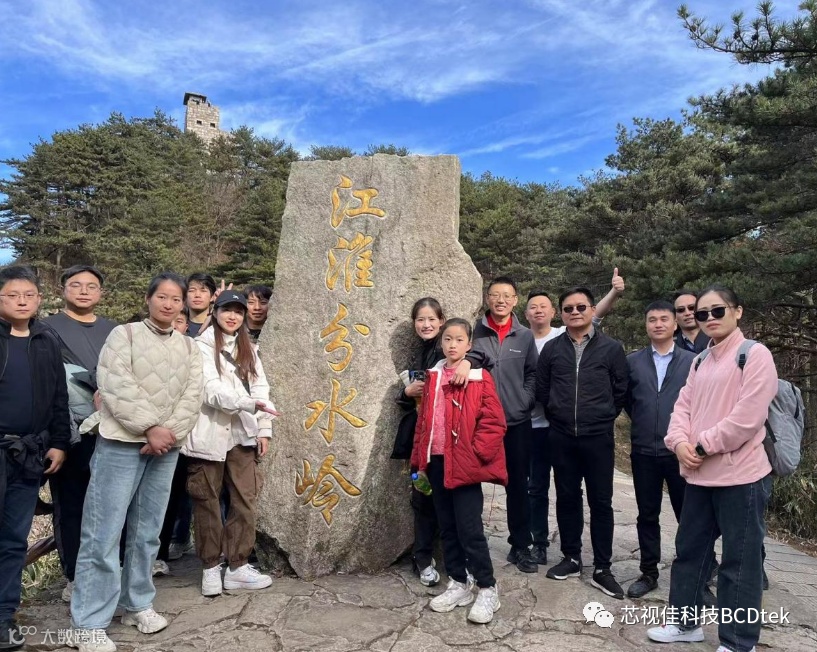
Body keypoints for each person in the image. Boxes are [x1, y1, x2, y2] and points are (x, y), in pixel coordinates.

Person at [69, 272, 203, 652]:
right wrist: (149, 429)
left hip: (166, 448)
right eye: (162, 297)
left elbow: (193, 394)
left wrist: (167, 434)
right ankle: (88, 622)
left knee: (147, 532)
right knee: (103, 533)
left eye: (175, 299)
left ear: (182, 305)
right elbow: (115, 385)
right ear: (149, 299)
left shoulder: (189, 347)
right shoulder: (123, 335)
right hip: (121, 443)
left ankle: (137, 603)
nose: (168, 304)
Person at [647, 285, 778, 652]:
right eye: (702, 314)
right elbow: (682, 409)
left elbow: (748, 417)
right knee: (690, 553)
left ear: (737, 311)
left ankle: (737, 641)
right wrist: (679, 443)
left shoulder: (754, 355)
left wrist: (702, 445)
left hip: (742, 476)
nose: (708, 318)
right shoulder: (700, 360)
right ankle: (684, 623)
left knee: (740, 561)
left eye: (717, 310)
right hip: (700, 476)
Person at [524, 268, 625, 565]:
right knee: (567, 498)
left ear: (592, 310)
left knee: (601, 501)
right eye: (569, 309)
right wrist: (558, 414)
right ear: (562, 314)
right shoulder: (552, 349)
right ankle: (571, 556)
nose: (575, 312)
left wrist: (604, 417)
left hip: (598, 437)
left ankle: (603, 565)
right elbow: (542, 389)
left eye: (581, 307)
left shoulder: (611, 348)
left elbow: (621, 389)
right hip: (562, 436)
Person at [410, 318, 507, 624]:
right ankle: (459, 582)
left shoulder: (478, 377)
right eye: (448, 339)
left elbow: (494, 421)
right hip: (437, 461)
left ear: (469, 345)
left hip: (465, 464)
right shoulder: (434, 376)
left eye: (459, 339)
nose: (452, 345)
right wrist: (419, 461)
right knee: (448, 526)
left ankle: (488, 587)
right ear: (441, 343)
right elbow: (424, 422)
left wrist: (475, 454)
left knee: (470, 528)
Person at [183, 290, 279, 597]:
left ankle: (238, 566)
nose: (233, 316)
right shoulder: (200, 346)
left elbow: (261, 387)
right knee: (207, 500)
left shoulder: (248, 347)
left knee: (244, 500)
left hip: (242, 434)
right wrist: (247, 403)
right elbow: (210, 390)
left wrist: (264, 428)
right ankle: (211, 566)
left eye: (238, 311)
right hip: (208, 434)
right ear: (215, 312)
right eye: (227, 310)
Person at [0, 266, 70, 652]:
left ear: (40, 299)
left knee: (14, 538)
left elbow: (59, 396)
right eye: (13, 295)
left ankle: (3, 616)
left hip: (29, 453)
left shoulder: (46, 339)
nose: (22, 301)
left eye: (29, 295)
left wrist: (59, 442)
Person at [394, 298, 486, 587]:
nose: (426, 325)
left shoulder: (451, 352)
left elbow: (481, 356)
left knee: (454, 508)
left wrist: (468, 362)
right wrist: (406, 393)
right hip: (425, 444)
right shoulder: (422, 352)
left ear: (442, 321)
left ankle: (465, 569)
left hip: (453, 446)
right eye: (420, 320)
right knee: (424, 499)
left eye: (432, 319)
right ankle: (424, 558)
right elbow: (414, 398)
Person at [44, 265, 117, 604]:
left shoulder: (114, 330)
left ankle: (109, 570)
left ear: (101, 292)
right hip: (71, 430)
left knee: (111, 504)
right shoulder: (46, 328)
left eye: (91, 286)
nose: (84, 291)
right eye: (76, 285)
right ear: (63, 290)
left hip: (114, 429)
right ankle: (74, 574)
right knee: (72, 503)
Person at [624, 301, 694, 598]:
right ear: (646, 325)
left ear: (675, 324)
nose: (658, 324)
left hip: (680, 452)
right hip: (643, 450)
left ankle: (695, 575)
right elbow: (629, 401)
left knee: (688, 516)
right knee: (647, 515)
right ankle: (648, 572)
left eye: (664, 319)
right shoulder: (633, 361)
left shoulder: (693, 361)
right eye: (652, 319)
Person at [470, 276, 539, 573]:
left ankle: (520, 545)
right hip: (477, 422)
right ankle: (470, 544)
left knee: (518, 485)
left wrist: (524, 401)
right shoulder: (473, 331)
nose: (501, 300)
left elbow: (533, 373)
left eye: (507, 295)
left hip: (516, 422)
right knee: (469, 482)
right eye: (495, 295)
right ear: (487, 298)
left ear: (515, 300)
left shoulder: (524, 336)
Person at [186, 273, 216, 337]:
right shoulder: (176, 325)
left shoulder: (217, 327)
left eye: (203, 291)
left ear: (212, 297)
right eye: (192, 290)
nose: (197, 295)